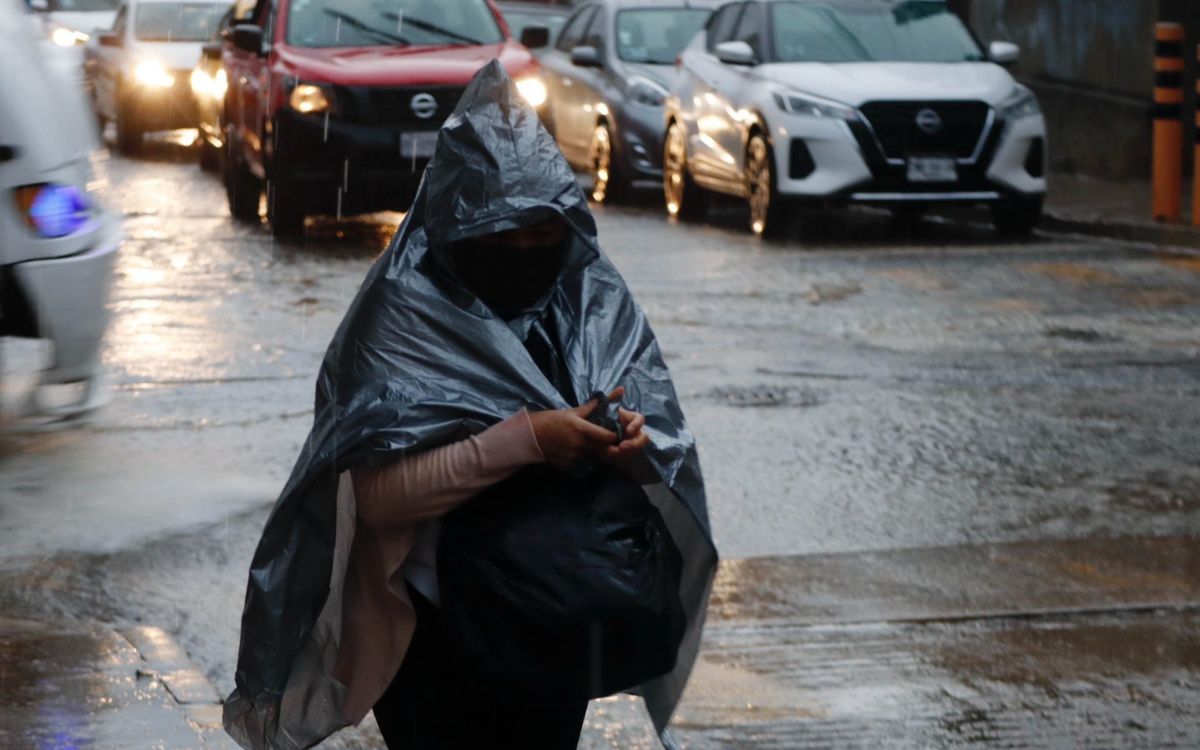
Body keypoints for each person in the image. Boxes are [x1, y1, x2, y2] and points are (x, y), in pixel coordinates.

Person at [224, 61, 717, 750]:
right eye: (501, 238)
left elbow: (654, 460)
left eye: (541, 236)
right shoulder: (402, 315)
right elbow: (374, 501)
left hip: (554, 621)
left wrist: (630, 448)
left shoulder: (585, 301)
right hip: (430, 637)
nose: (524, 254)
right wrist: (529, 441)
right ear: (454, 230)